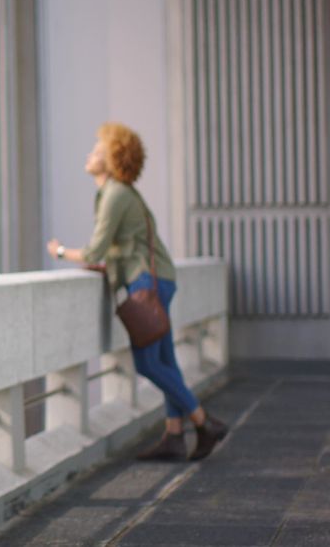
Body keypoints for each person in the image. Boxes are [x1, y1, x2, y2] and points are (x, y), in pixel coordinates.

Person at [46, 122, 228, 462]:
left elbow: (93, 250)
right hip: (157, 278)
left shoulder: (115, 194)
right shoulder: (118, 193)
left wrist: (58, 252)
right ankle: (175, 436)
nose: (90, 155)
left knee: (146, 363)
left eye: (97, 151)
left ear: (113, 159)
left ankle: (204, 422)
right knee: (166, 361)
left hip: (147, 282)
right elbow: (122, 246)